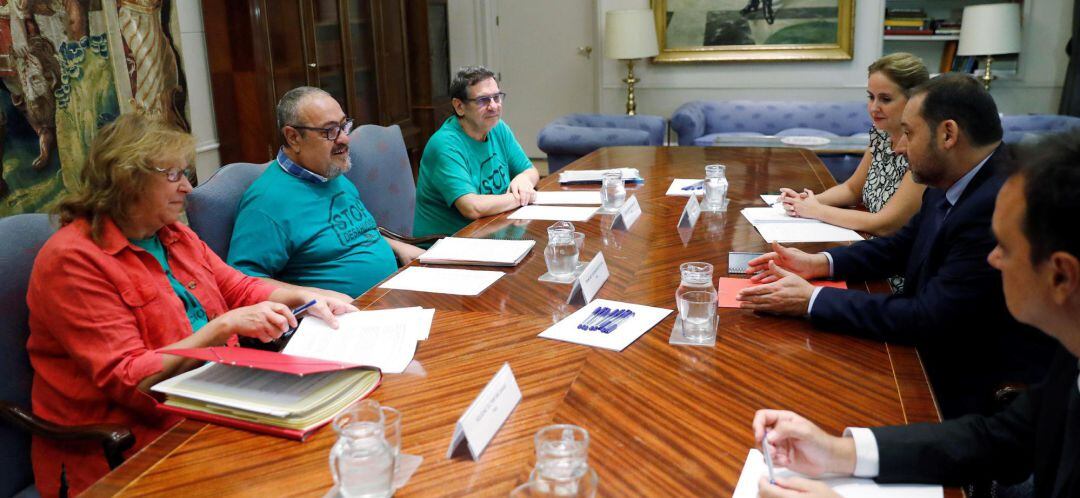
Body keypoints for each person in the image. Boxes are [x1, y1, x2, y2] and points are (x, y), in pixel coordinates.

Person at [26, 113, 356, 497]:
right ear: (127, 178)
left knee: (336, 442)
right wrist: (221, 328)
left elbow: (237, 287)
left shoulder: (171, 233)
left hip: (212, 400)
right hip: (131, 445)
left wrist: (303, 295)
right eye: (173, 175)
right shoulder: (72, 261)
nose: (186, 187)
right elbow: (132, 381)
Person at [751, 129, 1080, 498]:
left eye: (1004, 247)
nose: (992, 259)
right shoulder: (1072, 355)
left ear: (1061, 275)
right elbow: (998, 440)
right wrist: (838, 452)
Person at [737, 74, 1055, 418]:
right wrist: (820, 263)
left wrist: (811, 299)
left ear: (948, 134)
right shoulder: (952, 176)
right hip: (927, 344)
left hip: (964, 382)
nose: (898, 147)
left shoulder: (998, 203)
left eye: (909, 133)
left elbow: (929, 319)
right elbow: (901, 246)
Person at [228, 87, 424, 299]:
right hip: (342, 318)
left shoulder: (329, 171)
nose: (344, 139)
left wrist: (398, 247)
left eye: (343, 126)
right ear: (293, 137)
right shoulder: (267, 202)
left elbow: (351, 233)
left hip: (395, 292)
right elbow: (242, 282)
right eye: (330, 131)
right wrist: (314, 295)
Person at [778, 53, 928, 244]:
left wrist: (817, 210)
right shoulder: (881, 134)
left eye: (885, 99)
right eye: (871, 97)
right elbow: (852, 189)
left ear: (914, 100)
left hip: (896, 261)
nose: (874, 107)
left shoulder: (924, 151)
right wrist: (807, 200)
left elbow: (885, 224)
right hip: (867, 244)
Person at [412, 66, 540, 239]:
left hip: (491, 232)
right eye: (483, 100)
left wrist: (523, 180)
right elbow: (472, 207)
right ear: (459, 106)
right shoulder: (444, 144)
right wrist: (523, 197)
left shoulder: (498, 128)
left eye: (497, 97)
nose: (493, 106)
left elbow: (530, 170)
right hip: (448, 245)